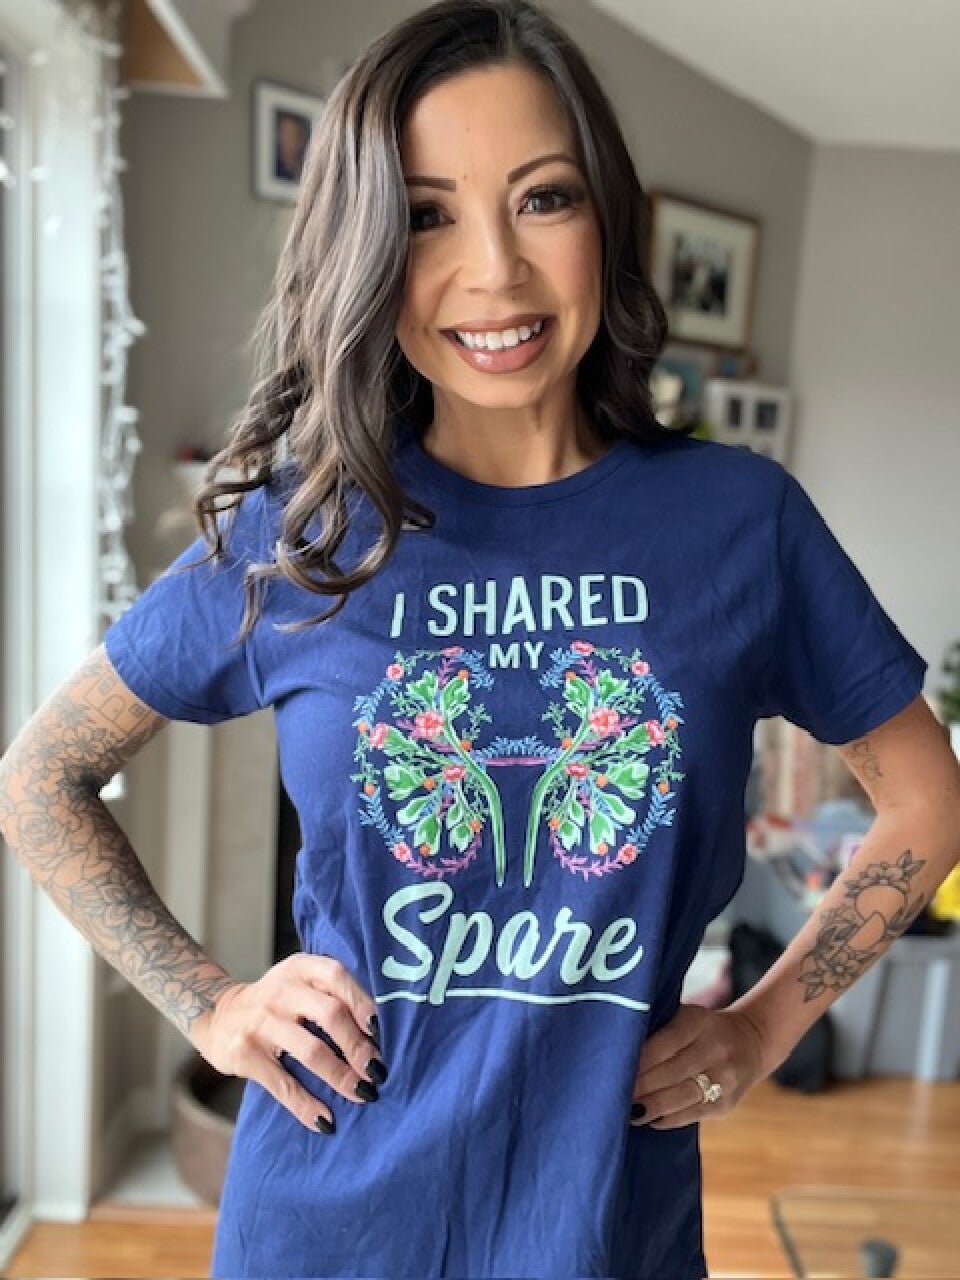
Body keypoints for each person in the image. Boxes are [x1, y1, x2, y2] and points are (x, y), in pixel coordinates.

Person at [1, 2, 958, 1277]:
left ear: (606, 217)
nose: (495, 269)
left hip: (603, 1224)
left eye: (543, 198)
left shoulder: (741, 524)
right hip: (326, 1221)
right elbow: (39, 777)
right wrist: (212, 1003)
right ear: (365, 247)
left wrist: (763, 1028)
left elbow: (925, 800)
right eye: (427, 213)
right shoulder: (305, 532)